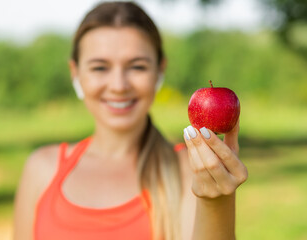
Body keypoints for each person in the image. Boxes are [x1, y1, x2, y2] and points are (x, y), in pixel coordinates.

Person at [13, 1, 248, 240]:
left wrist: (216, 202)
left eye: (137, 67)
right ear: (75, 73)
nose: (118, 86)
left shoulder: (192, 171)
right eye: (99, 67)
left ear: (160, 70)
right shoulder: (41, 169)